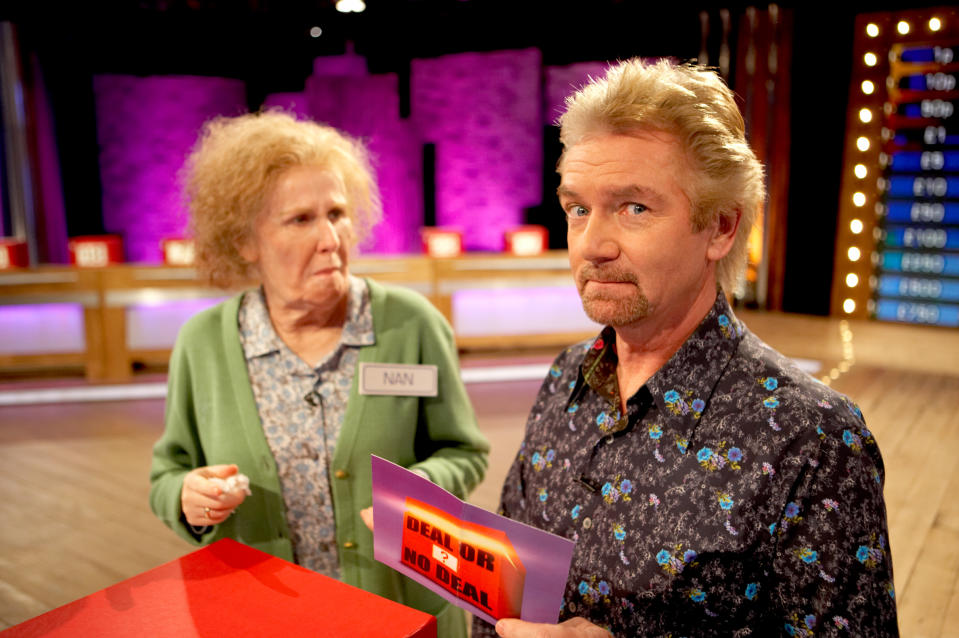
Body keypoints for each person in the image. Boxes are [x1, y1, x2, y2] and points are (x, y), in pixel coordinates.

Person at [473, 59, 898, 637]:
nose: (592, 245)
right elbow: (507, 584)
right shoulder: (565, 378)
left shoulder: (813, 439)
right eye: (578, 208)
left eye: (635, 208)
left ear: (721, 227)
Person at [149, 110, 489, 638]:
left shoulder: (411, 325)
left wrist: (423, 486)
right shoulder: (203, 344)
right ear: (245, 241)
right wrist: (188, 498)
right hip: (260, 617)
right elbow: (169, 474)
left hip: (403, 615)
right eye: (301, 219)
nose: (331, 238)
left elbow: (463, 452)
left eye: (337, 213)